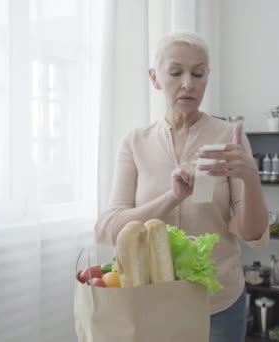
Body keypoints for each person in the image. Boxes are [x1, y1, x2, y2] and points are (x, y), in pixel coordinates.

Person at [94, 31, 269, 342]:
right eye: (176, 72)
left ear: (207, 78)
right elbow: (110, 229)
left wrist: (250, 178)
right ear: (155, 78)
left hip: (218, 304)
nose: (188, 83)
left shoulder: (230, 138)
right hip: (151, 302)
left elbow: (254, 234)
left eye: (198, 73)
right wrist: (172, 197)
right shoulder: (135, 143)